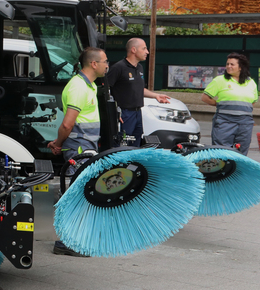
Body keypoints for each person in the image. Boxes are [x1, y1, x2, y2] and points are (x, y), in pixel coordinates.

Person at [46, 46, 109, 256]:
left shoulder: (89, 86)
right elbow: (67, 124)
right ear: (94, 64)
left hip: (85, 147)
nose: (107, 65)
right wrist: (58, 143)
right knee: (76, 193)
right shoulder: (78, 87)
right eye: (105, 61)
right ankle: (66, 242)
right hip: (79, 148)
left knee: (80, 191)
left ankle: (74, 239)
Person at [104, 38, 170, 146]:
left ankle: (133, 163)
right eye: (144, 48)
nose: (147, 52)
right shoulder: (118, 67)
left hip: (137, 113)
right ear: (133, 50)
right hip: (124, 113)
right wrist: (113, 111)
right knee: (123, 145)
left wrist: (156, 96)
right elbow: (106, 89)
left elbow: (139, 89)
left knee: (136, 143)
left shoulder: (139, 67)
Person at [202, 52, 258, 154]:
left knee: (242, 151)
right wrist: (219, 104)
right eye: (227, 64)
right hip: (224, 121)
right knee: (221, 151)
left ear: (240, 67)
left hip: (245, 123)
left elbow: (252, 102)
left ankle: (238, 170)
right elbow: (205, 97)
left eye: (232, 64)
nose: (228, 66)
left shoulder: (251, 83)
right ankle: (222, 170)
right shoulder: (219, 80)